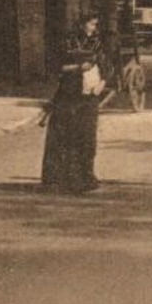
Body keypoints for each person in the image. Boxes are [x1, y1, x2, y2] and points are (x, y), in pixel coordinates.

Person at [41, 15, 105, 194]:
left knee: (87, 136)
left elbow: (106, 67)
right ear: (81, 24)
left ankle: (86, 176)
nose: (93, 28)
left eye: (95, 24)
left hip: (90, 96)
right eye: (90, 23)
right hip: (68, 95)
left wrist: (101, 84)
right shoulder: (67, 42)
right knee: (64, 135)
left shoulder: (98, 43)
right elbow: (55, 67)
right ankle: (60, 178)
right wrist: (77, 69)